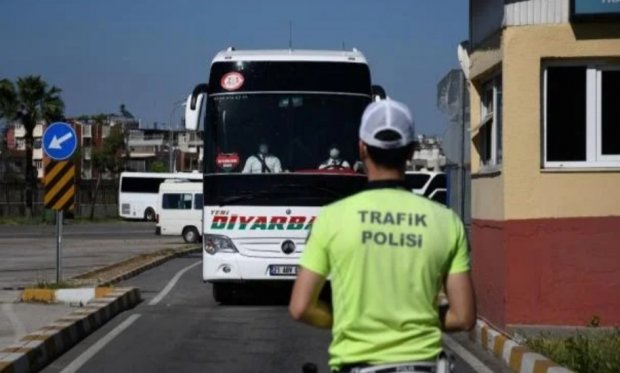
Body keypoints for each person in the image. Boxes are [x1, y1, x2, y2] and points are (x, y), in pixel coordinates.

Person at [289, 99, 475, 373]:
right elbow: (464, 315)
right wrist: (416, 318)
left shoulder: (331, 219)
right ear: (411, 151)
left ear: (362, 148)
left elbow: (301, 306)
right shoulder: (446, 222)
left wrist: (348, 317)